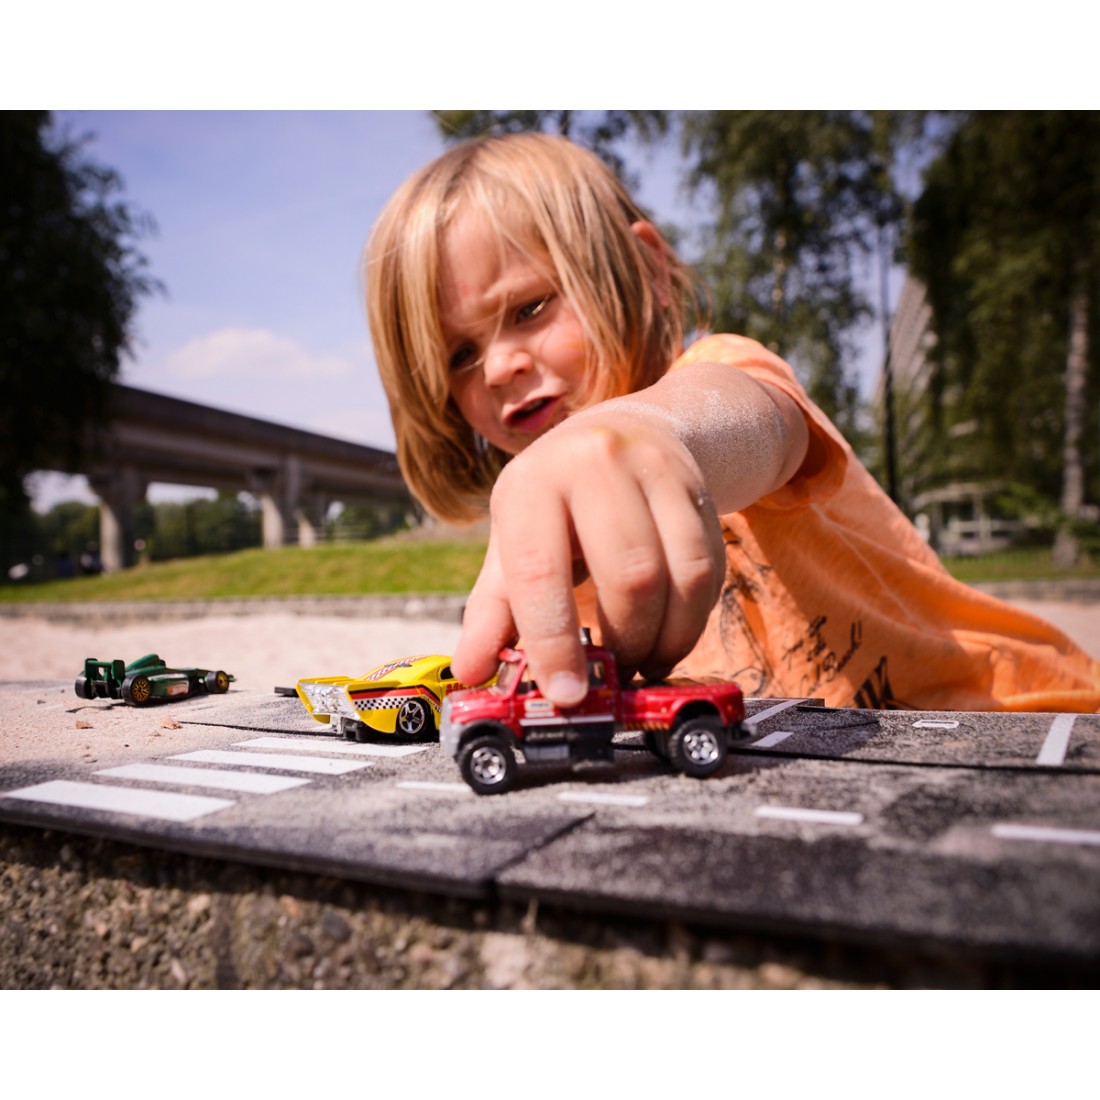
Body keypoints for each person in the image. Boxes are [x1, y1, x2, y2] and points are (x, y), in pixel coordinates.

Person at [365, 133, 1100, 713]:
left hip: (1024, 722)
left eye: (530, 309)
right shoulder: (545, 552)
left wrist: (654, 434)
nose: (497, 369)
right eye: (460, 353)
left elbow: (749, 418)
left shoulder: (722, 378)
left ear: (648, 271)